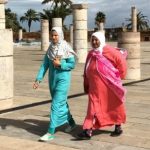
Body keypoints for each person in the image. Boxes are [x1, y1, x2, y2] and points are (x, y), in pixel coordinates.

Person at [77, 31, 127, 140]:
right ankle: (88, 130)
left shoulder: (110, 51)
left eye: (96, 40)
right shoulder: (91, 54)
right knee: (93, 107)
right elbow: (86, 69)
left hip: (109, 87)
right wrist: (86, 84)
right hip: (95, 87)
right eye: (92, 40)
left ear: (101, 40)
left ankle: (118, 126)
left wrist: (118, 76)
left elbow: (121, 63)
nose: (94, 42)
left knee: (114, 105)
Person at [33, 27, 76, 142]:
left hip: (63, 80)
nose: (54, 37)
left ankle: (50, 132)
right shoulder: (50, 49)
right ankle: (72, 123)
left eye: (56, 35)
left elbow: (72, 64)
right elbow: (45, 65)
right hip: (52, 80)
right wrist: (38, 79)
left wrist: (61, 64)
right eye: (52, 35)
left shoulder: (66, 47)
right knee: (61, 103)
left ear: (60, 35)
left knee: (55, 104)